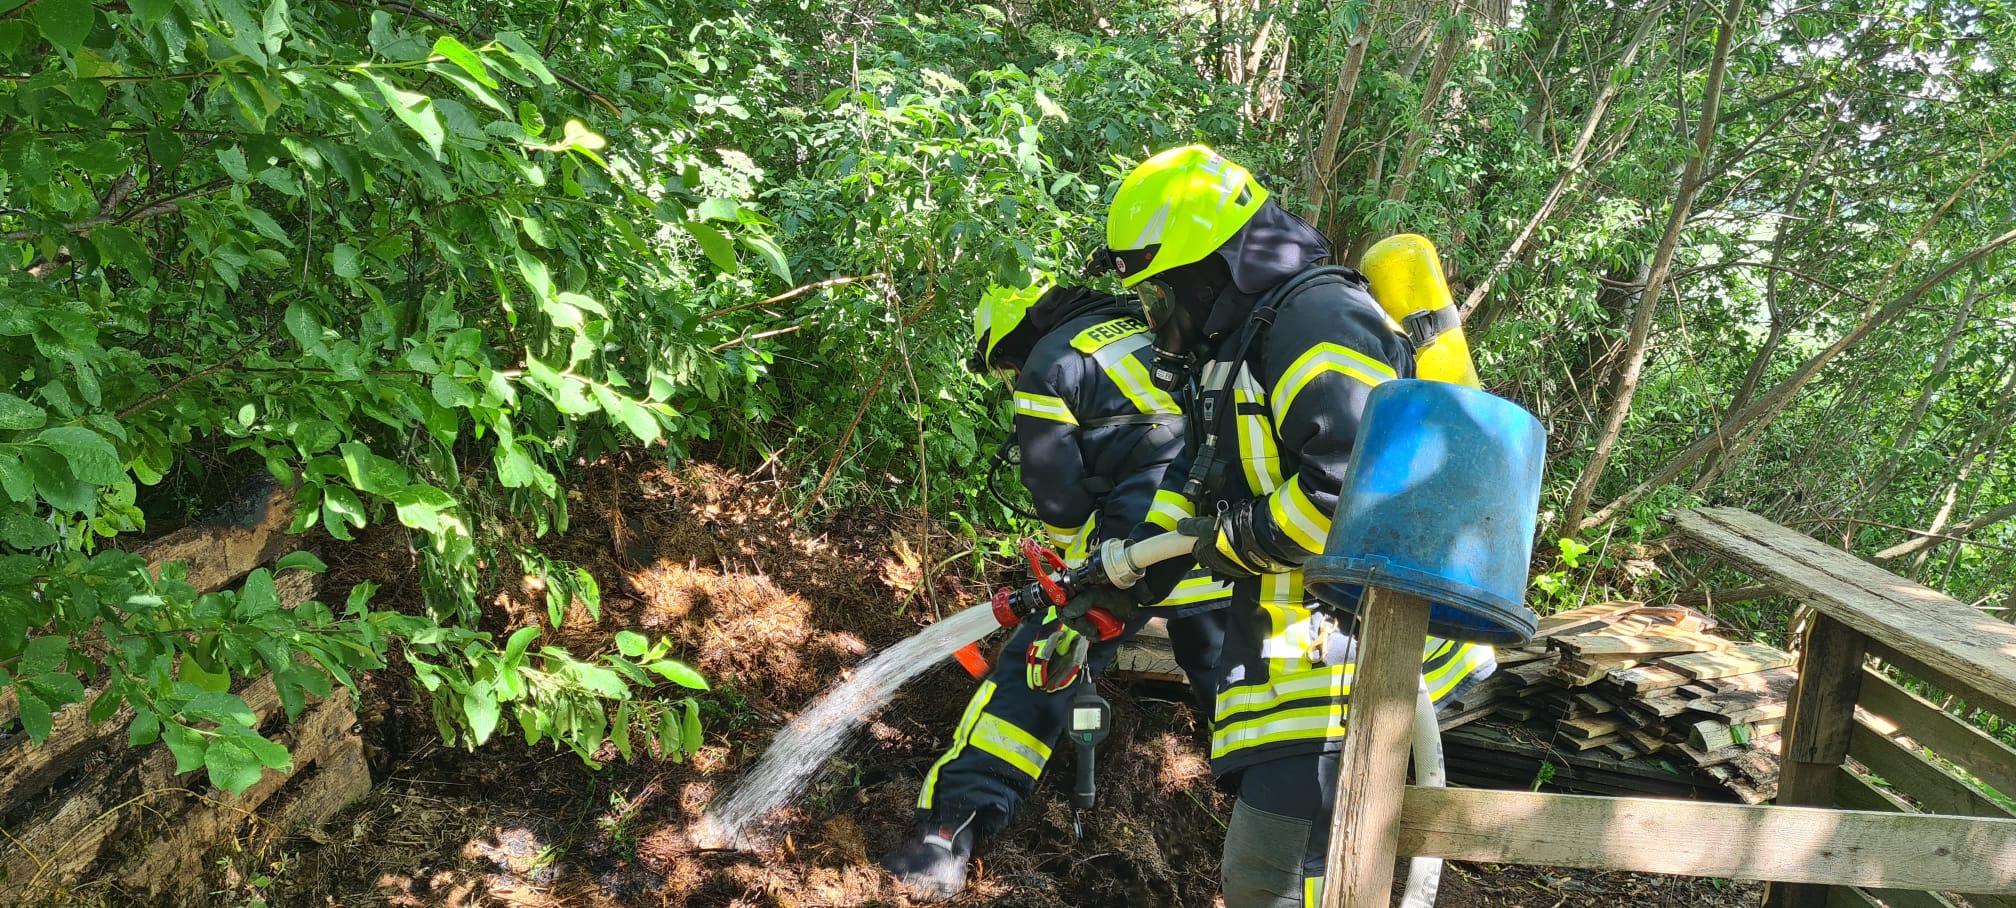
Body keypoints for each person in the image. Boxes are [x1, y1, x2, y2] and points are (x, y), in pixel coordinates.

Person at [1090, 145, 1497, 908]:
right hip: (1300, 648)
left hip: (1350, 649)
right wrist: (1122, 567)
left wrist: (1234, 538)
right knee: (1279, 875)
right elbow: (1212, 480)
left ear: (1217, 263)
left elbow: (1349, 490)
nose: (1162, 312)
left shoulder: (1316, 322)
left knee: (1281, 877)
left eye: (1166, 288)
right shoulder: (1240, 341)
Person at [882, 280, 1233, 902]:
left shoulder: (1052, 361)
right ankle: (1285, 831)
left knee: (1042, 669)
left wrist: (1073, 573)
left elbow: (1058, 493)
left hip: (1137, 536)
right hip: (1220, 532)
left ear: (1016, 335)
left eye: (1005, 361)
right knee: (1234, 683)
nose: (1013, 371)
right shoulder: (1152, 323)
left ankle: (949, 832)